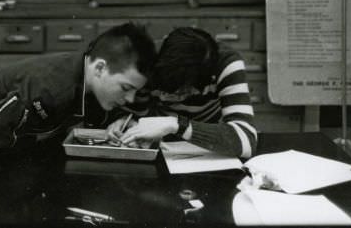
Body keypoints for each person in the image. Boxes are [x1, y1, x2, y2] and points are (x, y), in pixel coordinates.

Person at [0, 22, 156, 155]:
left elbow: (92, 103)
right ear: (100, 68)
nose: (130, 99)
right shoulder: (49, 89)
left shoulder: (87, 71)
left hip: (7, 140)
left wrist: (117, 119)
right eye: (126, 88)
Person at [109, 27, 257, 158]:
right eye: (159, 89)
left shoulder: (226, 63)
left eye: (179, 94)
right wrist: (124, 121)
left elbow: (246, 140)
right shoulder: (145, 59)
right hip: (157, 148)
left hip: (205, 146)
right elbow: (129, 111)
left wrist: (178, 125)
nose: (162, 97)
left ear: (204, 83)